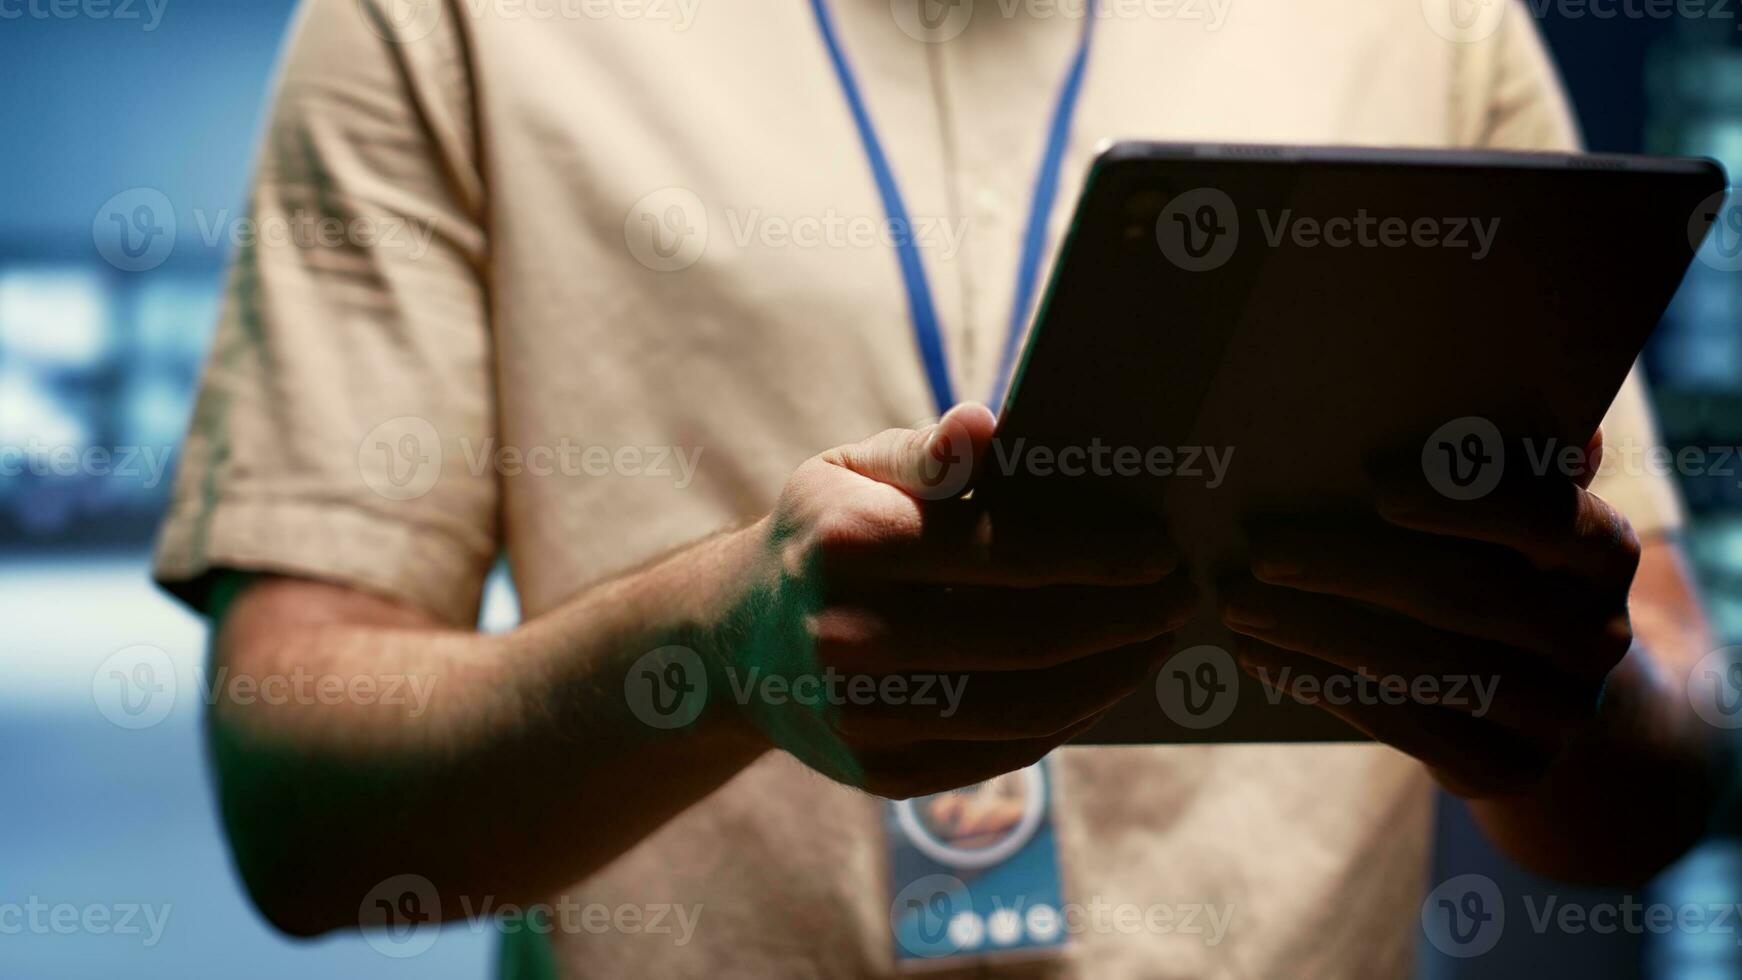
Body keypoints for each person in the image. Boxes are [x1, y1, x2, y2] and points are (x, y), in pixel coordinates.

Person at [154, 0, 1731, 975]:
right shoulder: (438, 16)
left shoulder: (1433, 23)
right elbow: (304, 819)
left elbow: (1658, 764)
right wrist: (713, 655)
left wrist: (1545, 685)